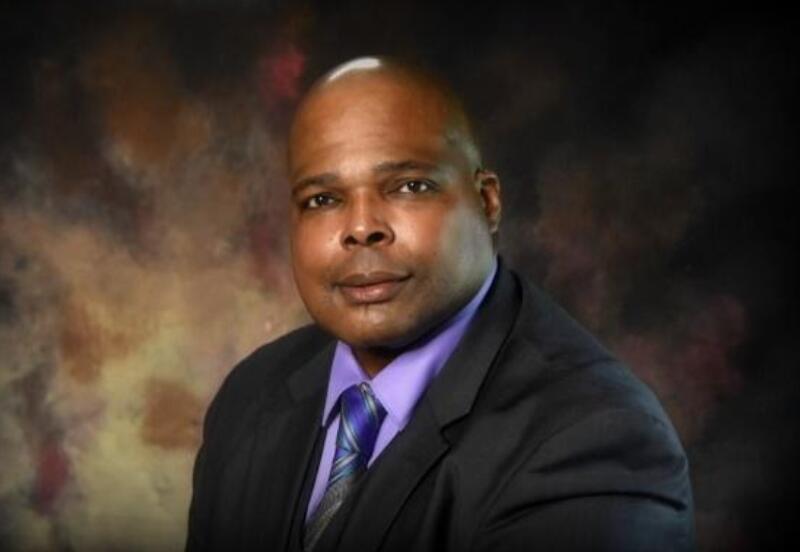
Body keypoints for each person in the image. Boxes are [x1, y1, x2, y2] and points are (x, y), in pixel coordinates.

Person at [185, 55, 695, 551]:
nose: (361, 227)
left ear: (487, 202)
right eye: (323, 199)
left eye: (409, 186)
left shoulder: (593, 441)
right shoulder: (251, 396)